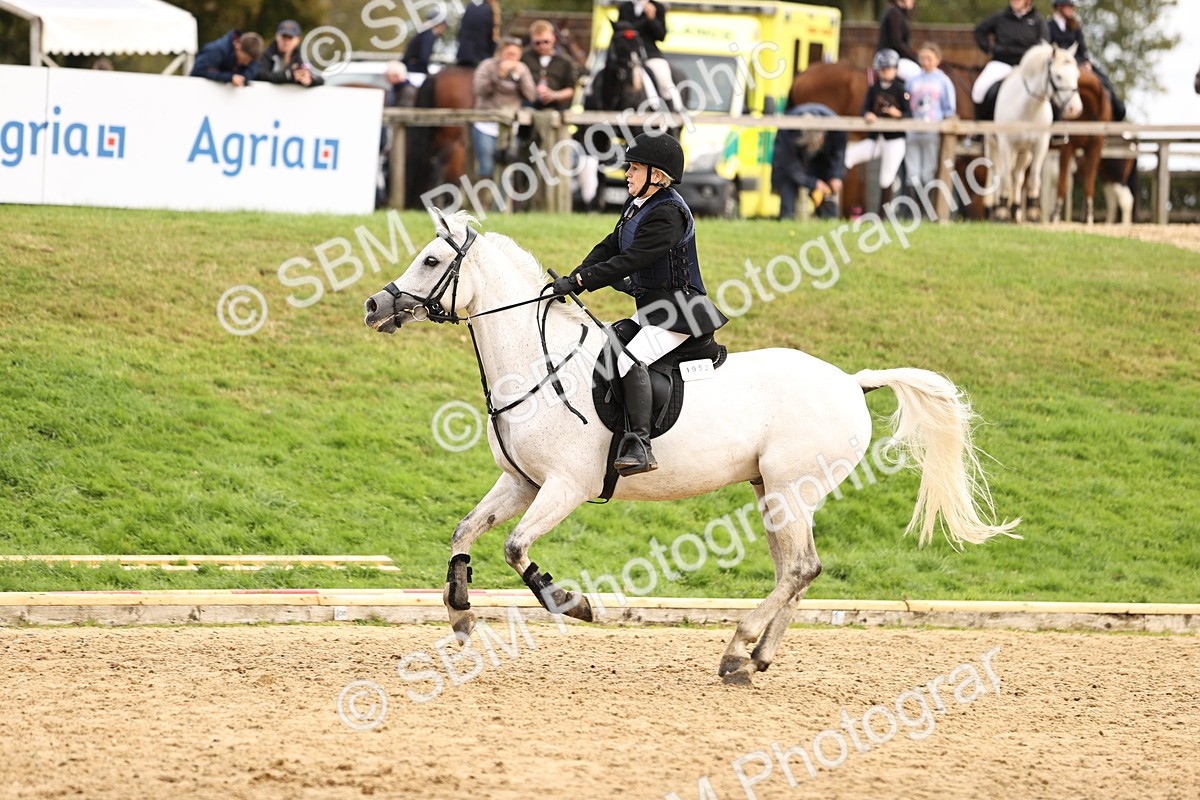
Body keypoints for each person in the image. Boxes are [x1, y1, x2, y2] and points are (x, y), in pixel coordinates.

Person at [551, 133, 728, 476]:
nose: (627, 174)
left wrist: (582, 282)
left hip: (681, 313)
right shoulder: (638, 204)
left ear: (657, 176)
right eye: (629, 168)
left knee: (632, 358)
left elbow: (631, 259)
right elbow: (611, 245)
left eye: (634, 168)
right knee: (611, 340)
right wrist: (575, 277)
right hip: (653, 310)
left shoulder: (669, 214)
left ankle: (640, 444)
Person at [844, 49, 911, 208]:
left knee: (886, 177)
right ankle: (831, 196)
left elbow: (909, 114)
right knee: (848, 156)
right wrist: (868, 115)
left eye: (887, 69)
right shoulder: (874, 88)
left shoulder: (901, 89)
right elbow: (864, 109)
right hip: (876, 138)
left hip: (894, 140)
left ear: (895, 69)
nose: (884, 72)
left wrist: (898, 114)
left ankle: (883, 214)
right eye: (882, 69)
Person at [472, 38, 536, 185]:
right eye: (509, 54)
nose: (512, 58)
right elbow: (478, 90)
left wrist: (522, 78)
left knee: (507, 169)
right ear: (500, 52)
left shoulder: (522, 69)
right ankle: (483, 203)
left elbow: (531, 96)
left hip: (510, 127)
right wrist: (499, 75)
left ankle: (501, 206)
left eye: (515, 54)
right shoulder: (487, 66)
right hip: (485, 125)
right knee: (486, 167)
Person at [1048, 0, 1124, 121]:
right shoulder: (1049, 26)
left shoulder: (1075, 25)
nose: (1071, 9)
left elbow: (1082, 47)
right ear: (1059, 7)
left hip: (1078, 61)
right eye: (1069, 6)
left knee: (1103, 79)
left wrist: (1086, 62)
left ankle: (1117, 112)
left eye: (1071, 6)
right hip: (1060, 65)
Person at [771, 102, 846, 220]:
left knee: (827, 189)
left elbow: (839, 153)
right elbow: (789, 165)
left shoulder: (836, 129)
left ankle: (828, 219)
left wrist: (836, 175)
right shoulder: (788, 131)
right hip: (792, 158)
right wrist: (813, 183)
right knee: (786, 181)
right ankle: (786, 217)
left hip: (823, 156)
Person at [904, 42, 955, 208]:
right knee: (912, 170)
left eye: (929, 58)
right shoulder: (913, 80)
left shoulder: (943, 81)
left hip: (932, 131)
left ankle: (925, 207)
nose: (925, 61)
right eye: (922, 58)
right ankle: (912, 208)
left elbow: (949, 107)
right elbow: (906, 102)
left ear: (937, 60)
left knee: (928, 170)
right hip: (913, 129)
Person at [971, 0, 1049, 108]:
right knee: (979, 90)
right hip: (1002, 63)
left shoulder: (1038, 20)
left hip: (1027, 67)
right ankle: (982, 122)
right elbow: (979, 31)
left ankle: (1055, 122)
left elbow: (1044, 45)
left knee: (1050, 94)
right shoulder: (1000, 17)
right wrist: (989, 49)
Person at [617, 0, 681, 111]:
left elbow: (661, 36)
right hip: (627, 56)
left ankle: (673, 113)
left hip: (650, 54)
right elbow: (623, 32)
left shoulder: (658, 7)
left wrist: (652, 19)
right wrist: (645, 19)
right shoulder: (625, 8)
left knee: (664, 80)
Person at [521, 20, 578, 112]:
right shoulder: (523, 57)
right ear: (531, 40)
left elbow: (571, 89)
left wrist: (555, 95)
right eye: (537, 43)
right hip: (526, 105)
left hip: (556, 108)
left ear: (553, 38)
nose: (542, 46)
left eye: (546, 42)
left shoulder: (565, 61)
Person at [258, 20, 323, 87]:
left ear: (298, 40)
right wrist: (288, 76)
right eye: (284, 37)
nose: (286, 42)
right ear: (277, 36)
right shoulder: (266, 55)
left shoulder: (302, 58)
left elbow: (320, 78)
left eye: (290, 38)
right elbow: (259, 75)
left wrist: (309, 79)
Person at [190, 30, 263, 86]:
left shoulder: (250, 53)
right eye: (245, 59)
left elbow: (250, 71)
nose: (246, 63)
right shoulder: (216, 50)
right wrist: (230, 77)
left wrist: (242, 79)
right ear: (238, 47)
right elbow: (199, 71)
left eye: (250, 61)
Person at [878, 0, 921, 83]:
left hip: (894, 57)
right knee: (917, 73)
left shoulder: (899, 13)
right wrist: (915, 58)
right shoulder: (894, 13)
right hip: (888, 58)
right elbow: (897, 42)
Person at [403, 10, 448, 76]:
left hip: (411, 66)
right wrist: (426, 72)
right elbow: (423, 56)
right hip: (415, 69)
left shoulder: (423, 32)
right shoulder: (428, 34)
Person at [457, 0, 499, 68]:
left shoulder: (470, 6)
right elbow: (491, 37)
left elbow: (460, 33)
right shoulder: (490, 10)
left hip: (463, 54)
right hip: (480, 57)